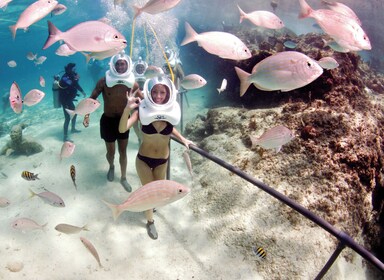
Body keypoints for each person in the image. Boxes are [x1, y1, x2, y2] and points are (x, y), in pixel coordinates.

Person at [119, 75, 193, 240]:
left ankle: (150, 209)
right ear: (149, 93)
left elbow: (170, 128)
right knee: (150, 192)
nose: (159, 96)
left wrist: (183, 139)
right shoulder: (141, 111)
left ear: (168, 94)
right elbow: (122, 129)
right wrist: (127, 109)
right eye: (155, 92)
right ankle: (150, 221)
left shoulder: (170, 111)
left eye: (162, 92)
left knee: (158, 192)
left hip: (162, 161)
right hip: (144, 160)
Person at [83, 52, 142, 192]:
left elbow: (142, 101)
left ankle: (123, 178)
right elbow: (92, 99)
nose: (121, 66)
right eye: (118, 64)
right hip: (107, 120)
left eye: (123, 64)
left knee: (123, 151)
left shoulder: (132, 83)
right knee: (111, 152)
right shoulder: (103, 81)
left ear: (127, 65)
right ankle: (111, 166)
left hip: (123, 121)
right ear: (113, 65)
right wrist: (86, 115)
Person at [58, 63, 86, 141]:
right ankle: (65, 136)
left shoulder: (72, 76)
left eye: (75, 69)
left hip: (69, 99)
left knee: (74, 113)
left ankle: (73, 129)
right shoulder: (64, 77)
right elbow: (72, 84)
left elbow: (76, 84)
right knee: (67, 118)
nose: (74, 71)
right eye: (73, 69)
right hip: (65, 100)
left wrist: (82, 91)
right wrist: (76, 79)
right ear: (69, 69)